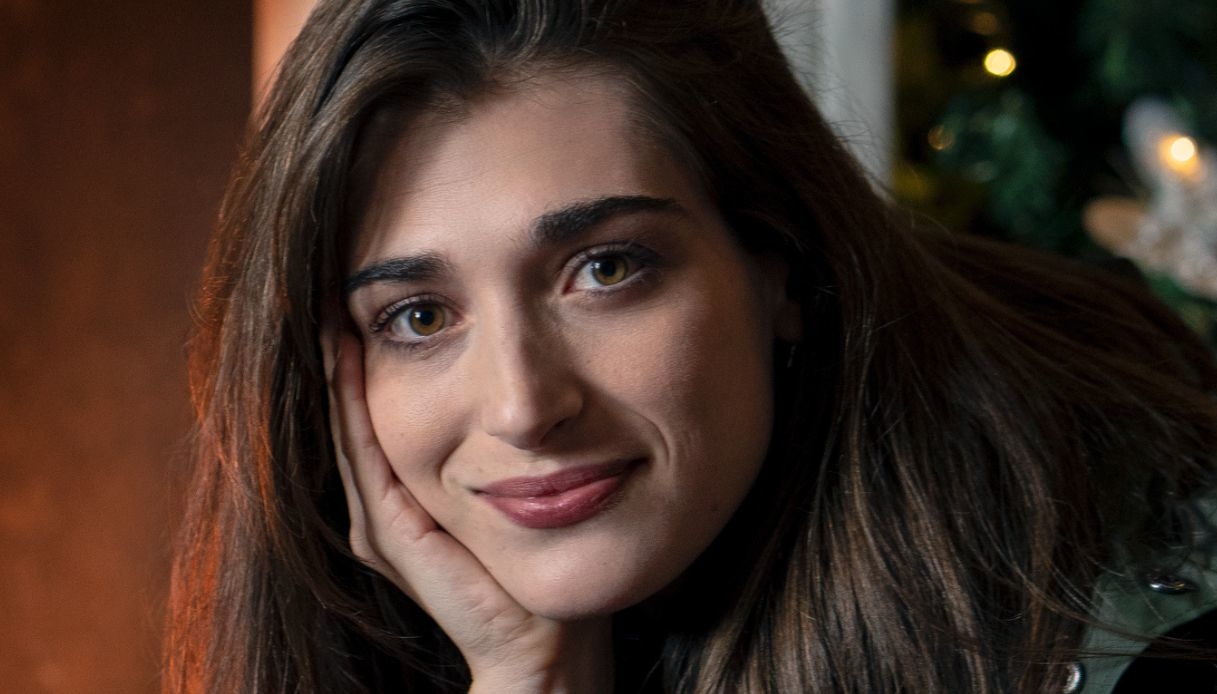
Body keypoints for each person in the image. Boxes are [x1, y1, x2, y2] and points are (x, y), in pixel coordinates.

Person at [165, 0, 1217, 692]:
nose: (523, 406)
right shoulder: (386, 639)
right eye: (418, 317)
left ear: (779, 268)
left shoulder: (1146, 640)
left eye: (605, 269)